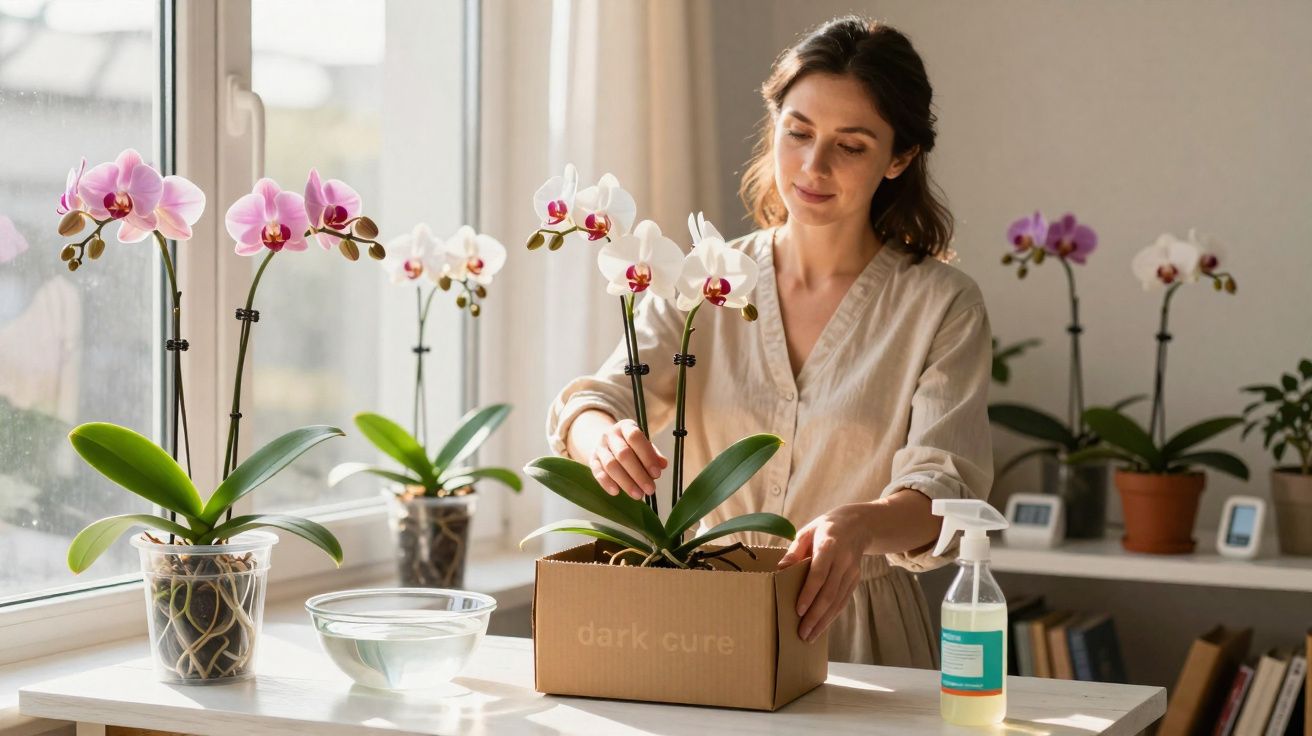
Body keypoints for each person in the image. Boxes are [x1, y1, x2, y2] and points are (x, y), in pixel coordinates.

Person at [545, 16, 992, 668]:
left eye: (852, 145)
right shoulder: (701, 279)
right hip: (703, 622)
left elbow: (943, 492)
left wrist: (861, 524)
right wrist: (599, 434)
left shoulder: (942, 305)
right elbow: (605, 396)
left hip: (857, 633)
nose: (814, 166)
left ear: (899, 158)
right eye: (798, 133)